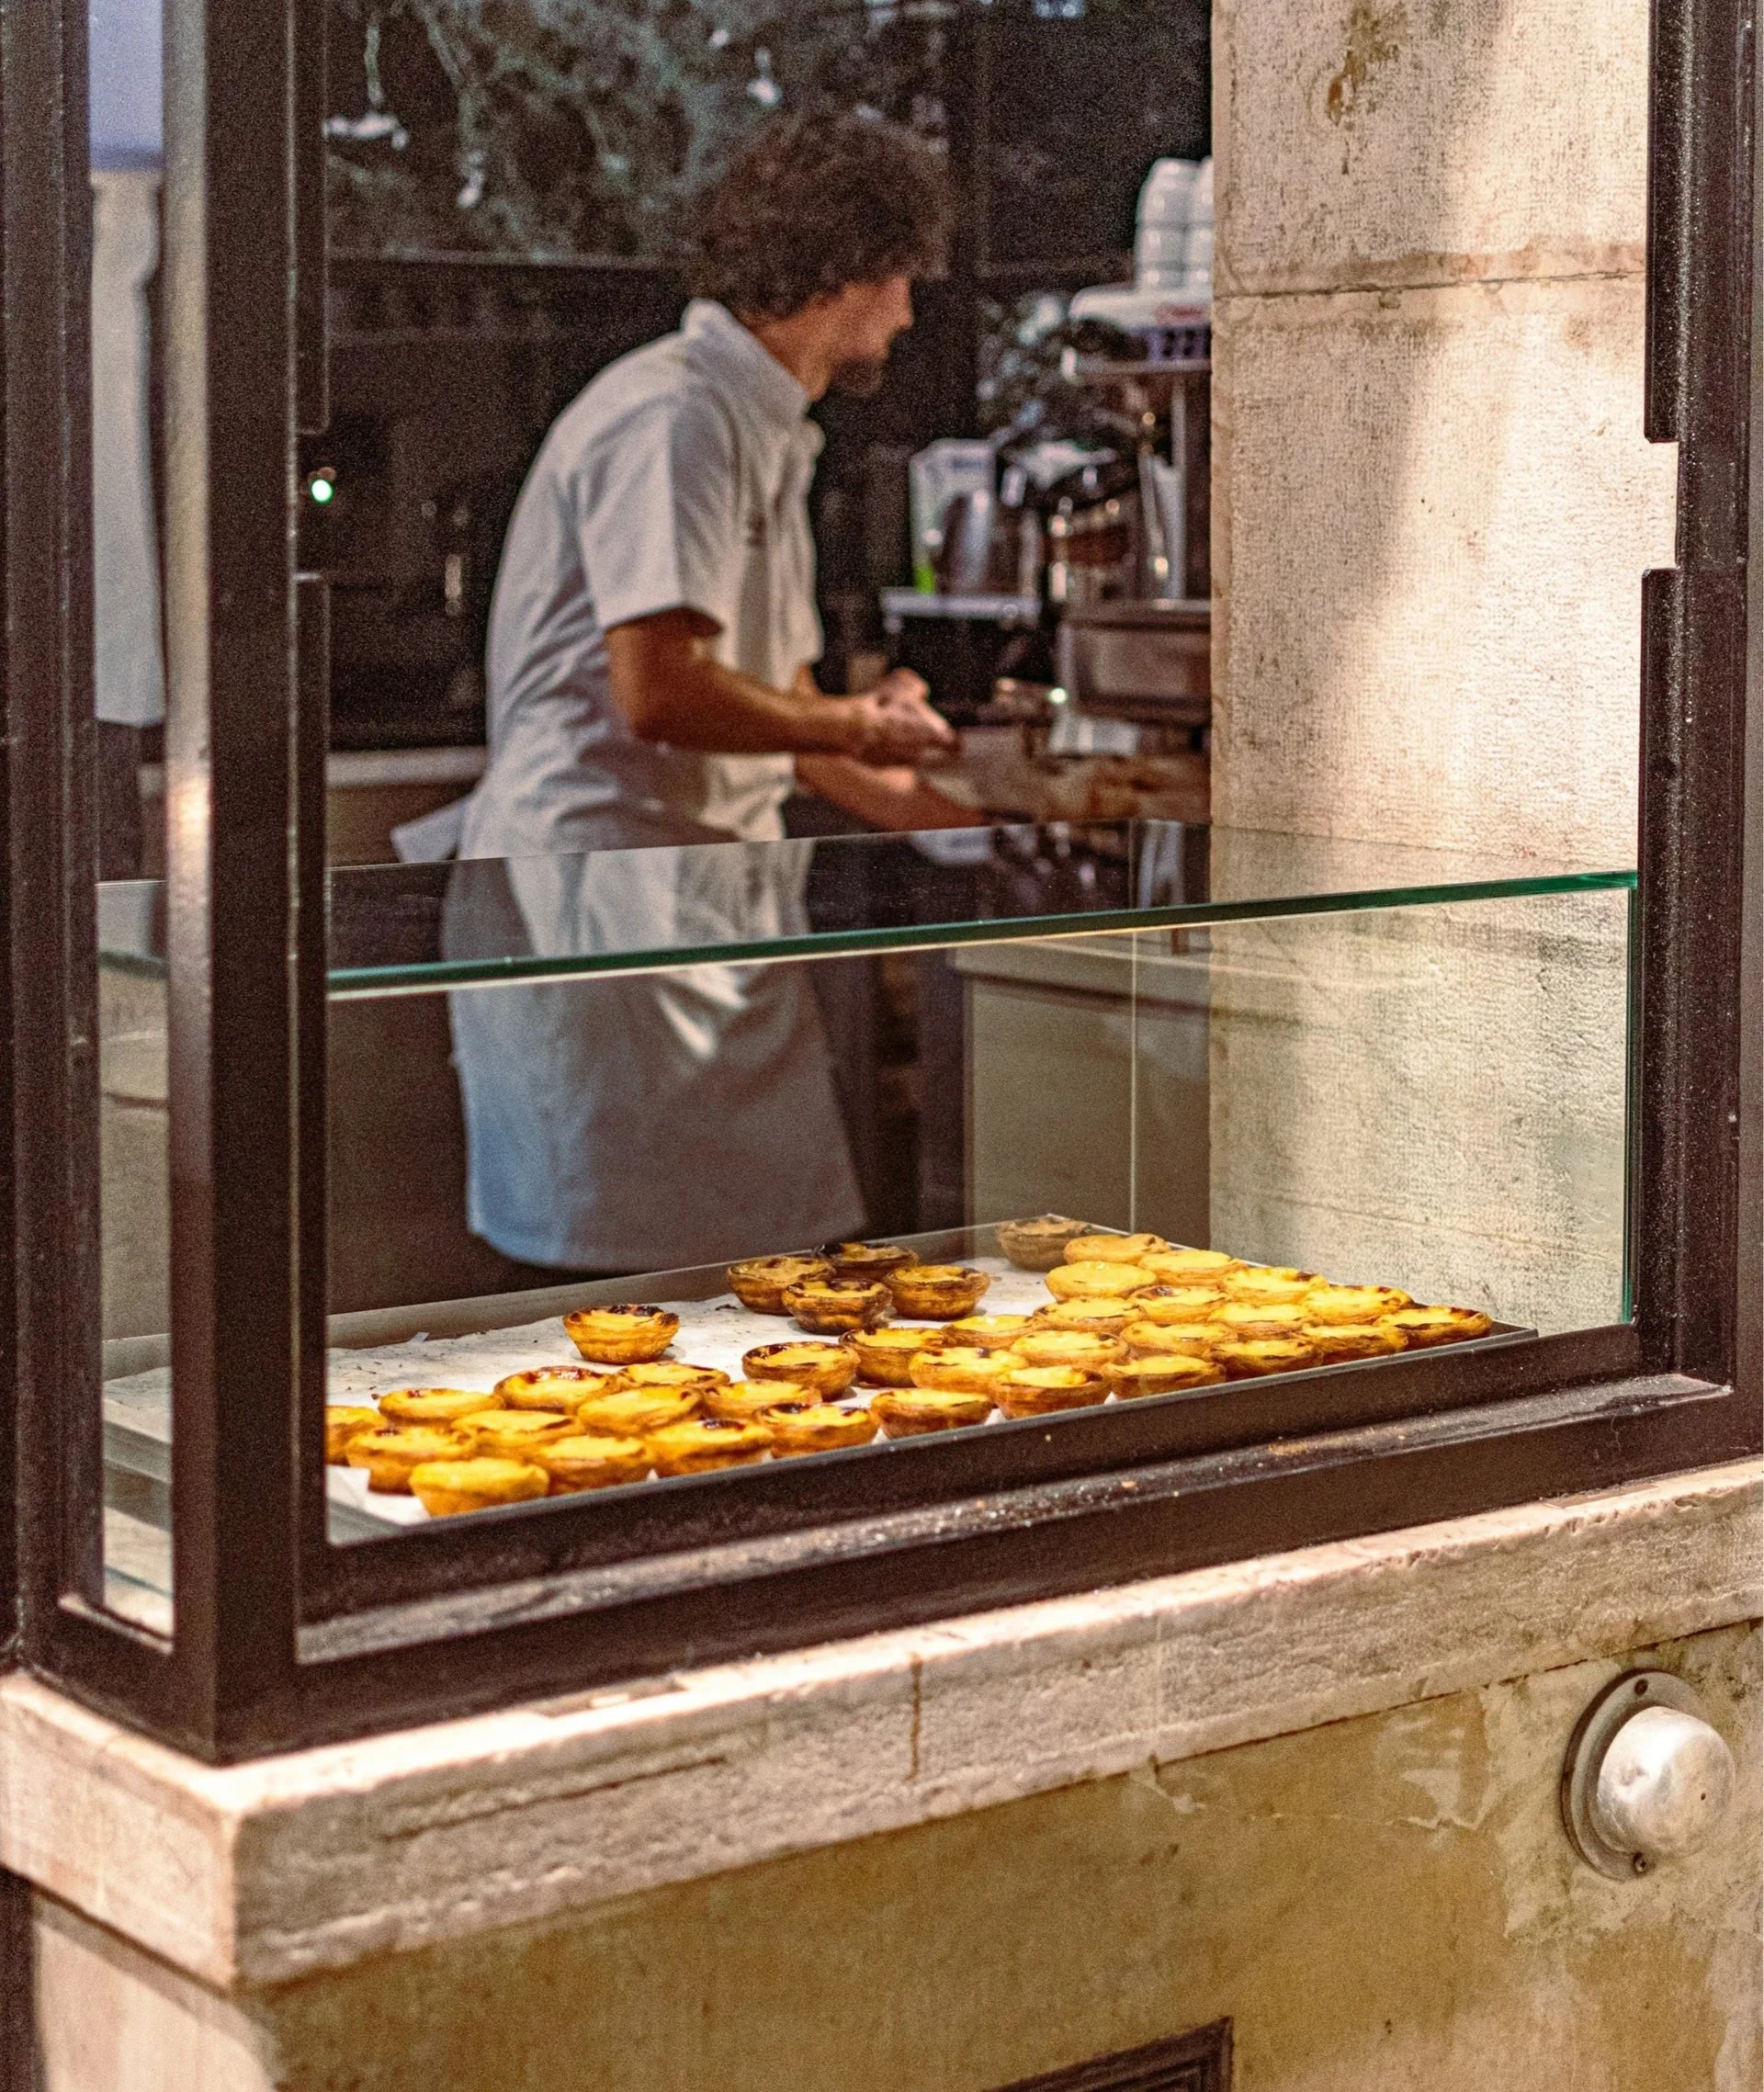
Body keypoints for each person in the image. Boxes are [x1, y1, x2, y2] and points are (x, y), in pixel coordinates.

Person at [448, 112, 977, 1281]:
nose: (906, 312)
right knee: (629, 1301)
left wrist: (965, 823)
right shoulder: (676, 416)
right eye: (903, 280)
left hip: (698, 906)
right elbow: (662, 691)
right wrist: (858, 720)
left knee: (762, 1274)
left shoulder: (760, 423)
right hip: (606, 911)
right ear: (849, 270)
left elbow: (771, 700)